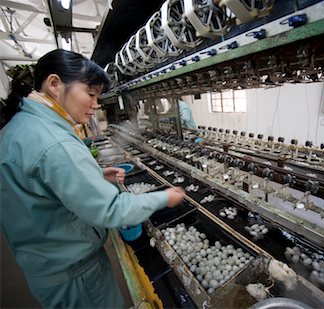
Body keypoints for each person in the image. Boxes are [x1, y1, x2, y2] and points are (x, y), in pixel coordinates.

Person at [0, 49, 186, 308]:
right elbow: (111, 210)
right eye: (90, 94)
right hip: (75, 275)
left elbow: (39, 182)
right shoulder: (54, 141)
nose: (96, 104)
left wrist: (94, 176)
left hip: (46, 261)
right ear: (54, 84)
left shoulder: (24, 126)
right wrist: (164, 197)